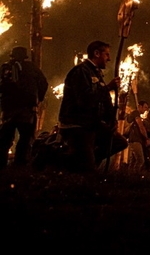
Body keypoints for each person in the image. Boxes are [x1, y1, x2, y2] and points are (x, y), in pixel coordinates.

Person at [58, 40, 128, 173]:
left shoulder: (96, 73)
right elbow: (84, 99)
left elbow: (104, 100)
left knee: (119, 142)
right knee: (88, 172)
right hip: (77, 125)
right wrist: (108, 88)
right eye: (106, 54)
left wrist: (111, 119)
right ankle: (73, 163)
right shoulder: (80, 72)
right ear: (96, 53)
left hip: (91, 124)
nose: (109, 59)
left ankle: (82, 161)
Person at [0, 46, 48, 169]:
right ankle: (20, 165)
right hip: (27, 109)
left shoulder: (5, 67)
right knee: (25, 138)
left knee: (5, 139)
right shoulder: (32, 68)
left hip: (9, 108)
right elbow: (43, 83)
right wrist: (38, 99)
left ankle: (2, 166)